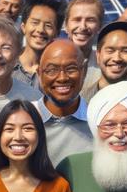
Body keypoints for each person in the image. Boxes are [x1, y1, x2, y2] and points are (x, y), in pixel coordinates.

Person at [33, 38, 94, 167]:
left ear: (84, 71)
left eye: (71, 69)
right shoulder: (25, 119)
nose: (62, 78)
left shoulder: (97, 122)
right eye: (51, 70)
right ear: (39, 73)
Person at [81, 21, 127, 102]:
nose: (117, 58)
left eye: (125, 51)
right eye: (110, 50)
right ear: (98, 54)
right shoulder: (80, 101)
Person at [13, 0, 63, 89]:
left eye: (48, 25)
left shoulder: (60, 75)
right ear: (23, 27)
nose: (40, 30)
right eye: (35, 23)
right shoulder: (5, 65)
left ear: (57, 33)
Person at [63, 0, 105, 96]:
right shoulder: (48, 60)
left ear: (100, 26)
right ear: (65, 25)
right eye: (77, 19)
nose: (83, 26)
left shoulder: (105, 65)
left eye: (90, 20)